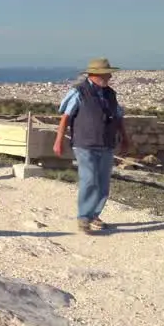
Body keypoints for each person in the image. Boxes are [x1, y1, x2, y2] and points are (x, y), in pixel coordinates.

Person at [53, 58, 130, 234]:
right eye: (106, 74)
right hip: (84, 143)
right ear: (95, 75)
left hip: (106, 143)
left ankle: (94, 214)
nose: (110, 76)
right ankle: (83, 217)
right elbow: (65, 117)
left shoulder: (111, 94)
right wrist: (58, 140)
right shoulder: (79, 92)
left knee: (103, 183)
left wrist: (125, 138)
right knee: (89, 179)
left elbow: (118, 117)